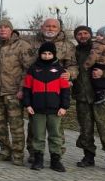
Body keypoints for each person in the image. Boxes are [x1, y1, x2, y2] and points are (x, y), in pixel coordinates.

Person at [72, 26, 105, 172]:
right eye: (79, 34)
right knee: (85, 129)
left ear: (91, 34)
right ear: (76, 37)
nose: (82, 36)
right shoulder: (74, 52)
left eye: (85, 33)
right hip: (83, 96)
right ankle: (88, 157)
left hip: (104, 96)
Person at [0, 19, 34, 166]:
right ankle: (5, 151)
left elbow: (29, 69)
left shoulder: (22, 46)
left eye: (6, 27)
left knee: (16, 126)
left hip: (14, 93)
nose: (2, 30)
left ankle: (18, 154)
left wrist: (22, 89)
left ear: (11, 30)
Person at [22, 41, 71, 172]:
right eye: (44, 53)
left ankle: (56, 160)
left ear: (54, 55)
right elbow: (26, 89)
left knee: (55, 135)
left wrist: (64, 106)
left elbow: (66, 91)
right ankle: (38, 159)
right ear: (40, 54)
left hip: (55, 110)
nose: (47, 56)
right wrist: (27, 105)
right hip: (37, 109)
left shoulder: (60, 70)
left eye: (50, 53)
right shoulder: (33, 69)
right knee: (38, 135)